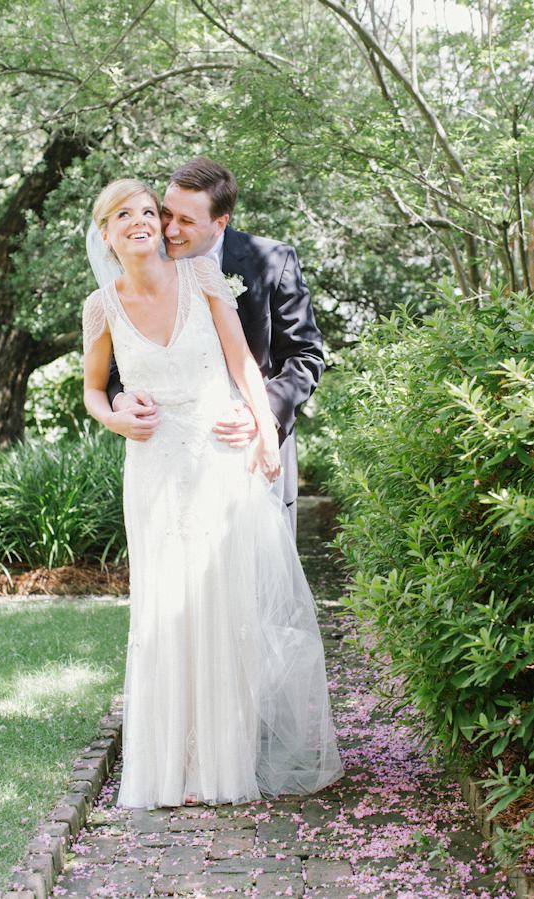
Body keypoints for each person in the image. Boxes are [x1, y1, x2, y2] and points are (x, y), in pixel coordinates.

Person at [82, 178, 343, 809]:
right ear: (106, 232)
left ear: (219, 221)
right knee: (163, 610)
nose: (158, 225)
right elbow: (99, 386)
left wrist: (262, 432)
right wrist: (116, 412)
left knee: (233, 604)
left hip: (225, 453)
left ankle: (232, 759)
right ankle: (170, 763)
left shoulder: (218, 274)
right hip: (153, 470)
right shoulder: (101, 306)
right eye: (139, 214)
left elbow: (264, 364)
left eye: (162, 214)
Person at [107, 157, 325, 535]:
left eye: (187, 221)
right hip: (174, 456)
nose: (170, 230)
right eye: (166, 214)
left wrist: (263, 419)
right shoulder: (142, 258)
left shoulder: (272, 262)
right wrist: (119, 399)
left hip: (254, 447)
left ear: (220, 223)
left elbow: (305, 356)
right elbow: (115, 360)